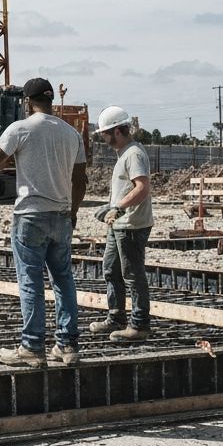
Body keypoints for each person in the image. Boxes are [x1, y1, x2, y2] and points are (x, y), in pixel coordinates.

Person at [0, 77, 87, 368]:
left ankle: (32, 346)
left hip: (30, 215)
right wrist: (73, 212)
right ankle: (67, 346)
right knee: (63, 280)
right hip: (61, 215)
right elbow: (81, 181)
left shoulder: (20, 129)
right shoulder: (71, 134)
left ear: (27, 102)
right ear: (51, 100)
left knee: (30, 281)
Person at [90, 105, 154, 342]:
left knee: (132, 275)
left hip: (131, 225)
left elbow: (142, 188)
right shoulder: (125, 153)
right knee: (111, 269)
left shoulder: (134, 154)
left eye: (105, 134)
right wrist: (111, 207)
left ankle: (139, 324)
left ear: (117, 131)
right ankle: (116, 317)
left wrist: (119, 208)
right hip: (119, 224)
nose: (103, 139)